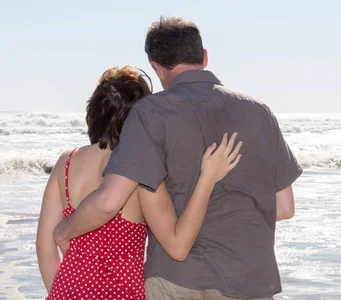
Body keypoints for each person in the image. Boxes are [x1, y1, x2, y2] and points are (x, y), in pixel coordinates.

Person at [52, 16, 302, 300]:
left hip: (177, 282)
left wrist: (63, 231)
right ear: (204, 57)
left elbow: (109, 201)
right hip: (250, 282)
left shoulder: (150, 113)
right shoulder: (259, 112)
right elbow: (284, 207)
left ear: (157, 68)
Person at [36, 65, 242, 299]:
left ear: (93, 111)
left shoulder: (66, 161)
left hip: (67, 290)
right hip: (122, 293)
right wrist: (207, 178)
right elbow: (178, 245)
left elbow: (44, 247)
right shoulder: (139, 167)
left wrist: (62, 292)